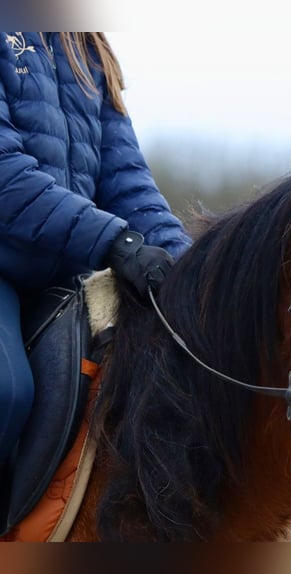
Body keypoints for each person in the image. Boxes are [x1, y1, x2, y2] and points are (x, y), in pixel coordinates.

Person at [0, 33, 192, 470]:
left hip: (66, 274)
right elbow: (4, 174)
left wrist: (190, 268)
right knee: (5, 391)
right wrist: (114, 241)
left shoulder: (83, 46)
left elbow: (125, 179)